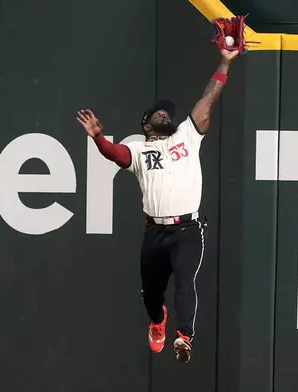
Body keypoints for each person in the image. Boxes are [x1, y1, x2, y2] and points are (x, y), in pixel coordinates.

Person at [76, 47, 239, 363]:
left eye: (168, 113)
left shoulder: (187, 137)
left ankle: (184, 337)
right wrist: (98, 138)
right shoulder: (138, 149)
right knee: (151, 294)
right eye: (158, 113)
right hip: (155, 232)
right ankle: (158, 320)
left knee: (184, 280)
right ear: (146, 126)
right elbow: (116, 155)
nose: (166, 114)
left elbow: (207, 102)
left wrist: (225, 61)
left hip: (188, 229)